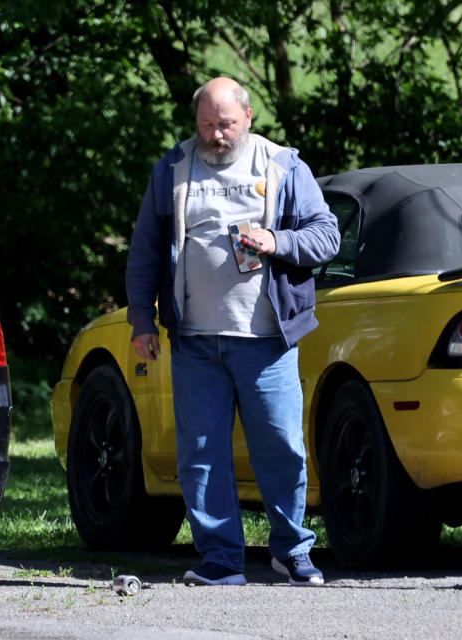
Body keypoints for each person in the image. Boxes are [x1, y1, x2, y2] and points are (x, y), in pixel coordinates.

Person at [125, 77, 340, 586]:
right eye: (206, 125)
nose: (216, 135)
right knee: (200, 454)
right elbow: (145, 250)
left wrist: (276, 240)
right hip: (195, 339)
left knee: (282, 448)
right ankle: (221, 559)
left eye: (225, 125)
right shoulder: (174, 168)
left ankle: (292, 551)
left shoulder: (284, 165)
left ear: (247, 118)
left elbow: (327, 234)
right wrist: (140, 319)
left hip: (267, 340)